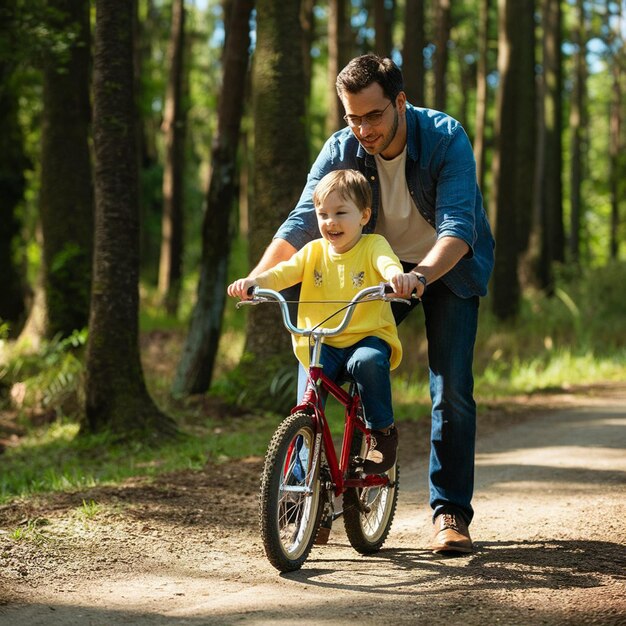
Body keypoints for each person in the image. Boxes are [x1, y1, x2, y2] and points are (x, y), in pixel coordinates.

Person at [240, 54, 495, 554]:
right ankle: (305, 499)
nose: (362, 129)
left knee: (451, 391)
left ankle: (449, 514)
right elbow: (301, 222)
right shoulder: (342, 147)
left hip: (443, 269)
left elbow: (459, 227)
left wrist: (418, 276)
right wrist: (255, 279)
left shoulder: (445, 137)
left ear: (400, 102)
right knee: (320, 359)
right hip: (372, 269)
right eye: (352, 117)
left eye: (373, 115)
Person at [229, 169, 419, 474]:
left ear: (364, 215)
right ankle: (299, 480)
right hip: (321, 343)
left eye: (341, 213)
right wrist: (255, 282)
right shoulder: (313, 251)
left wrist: (396, 278)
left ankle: (382, 433)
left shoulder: (373, 246)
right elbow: (283, 272)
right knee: (308, 401)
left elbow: (387, 264)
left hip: (366, 337)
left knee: (368, 362)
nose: (330, 222)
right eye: (323, 214)